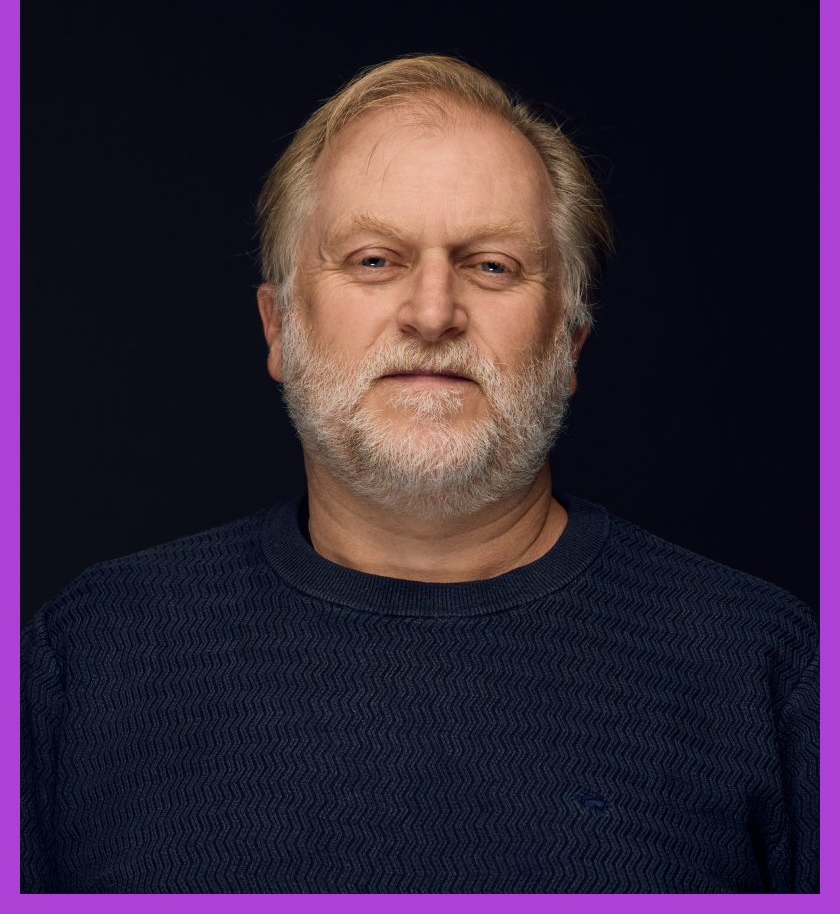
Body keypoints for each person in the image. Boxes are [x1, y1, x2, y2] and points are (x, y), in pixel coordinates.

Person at [21, 55, 818, 894]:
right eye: (373, 260)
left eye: (492, 265)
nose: (433, 313)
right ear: (279, 329)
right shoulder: (90, 660)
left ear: (568, 344)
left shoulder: (766, 673)